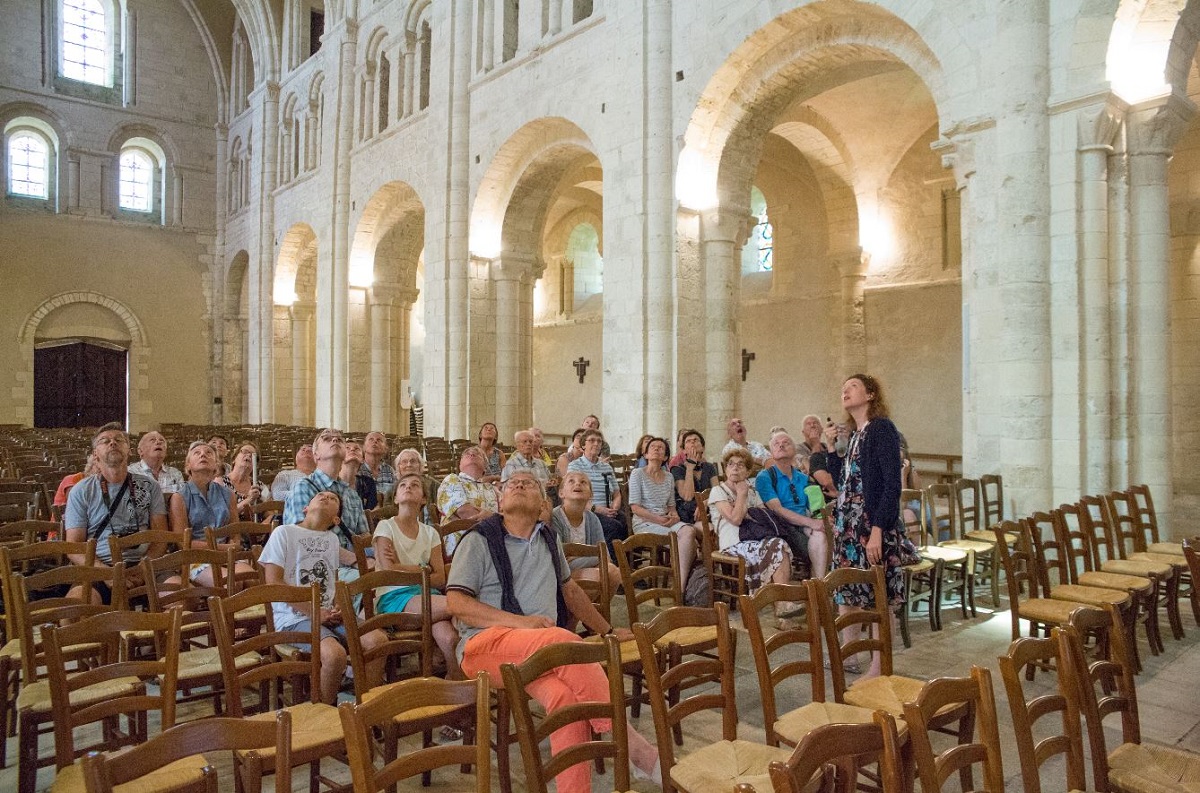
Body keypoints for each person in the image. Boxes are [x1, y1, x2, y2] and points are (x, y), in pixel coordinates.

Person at [446, 472, 661, 792]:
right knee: (562, 640)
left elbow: (570, 591)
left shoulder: (548, 538)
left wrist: (607, 631)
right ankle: (635, 748)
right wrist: (521, 623)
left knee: (567, 700)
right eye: (510, 484)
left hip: (539, 649)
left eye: (528, 483)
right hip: (484, 645)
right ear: (500, 502)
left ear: (544, 503)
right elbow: (456, 603)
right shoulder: (478, 540)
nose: (518, 485)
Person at [259, 490, 384, 703]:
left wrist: (337, 608)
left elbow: (333, 583)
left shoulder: (332, 540)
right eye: (320, 495)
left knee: (377, 641)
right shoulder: (284, 532)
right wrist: (315, 612)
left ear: (336, 519)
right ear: (305, 508)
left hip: (327, 614)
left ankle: (366, 708)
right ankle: (326, 713)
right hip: (294, 618)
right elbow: (273, 583)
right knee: (334, 655)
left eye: (333, 498)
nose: (326, 497)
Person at [832, 374, 906, 680]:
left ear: (871, 394)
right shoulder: (854, 434)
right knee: (846, 590)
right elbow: (849, 481)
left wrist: (877, 529)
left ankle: (879, 665)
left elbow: (891, 485)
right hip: (848, 526)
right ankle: (848, 656)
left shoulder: (881, 429)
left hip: (872, 525)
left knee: (879, 595)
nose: (845, 391)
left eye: (853, 387)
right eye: (843, 388)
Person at [64, 423, 170, 604]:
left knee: (183, 596)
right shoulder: (81, 490)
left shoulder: (149, 486)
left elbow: (161, 538)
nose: (112, 443)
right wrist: (107, 574)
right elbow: (74, 546)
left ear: (129, 450)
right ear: (95, 453)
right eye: (105, 441)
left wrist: (141, 570)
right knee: (75, 608)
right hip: (99, 566)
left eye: (119, 440)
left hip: (144, 564)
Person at [373, 473, 463, 681]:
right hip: (394, 598)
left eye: (415, 485)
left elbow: (440, 578)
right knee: (460, 606)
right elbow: (389, 573)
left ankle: (454, 686)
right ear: (395, 498)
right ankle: (464, 681)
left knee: (451, 640)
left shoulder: (430, 532)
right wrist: (424, 569)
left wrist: (405, 568)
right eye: (403, 485)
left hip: (429, 598)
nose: (408, 487)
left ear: (424, 498)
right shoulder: (386, 526)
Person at [709, 447, 794, 614]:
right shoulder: (718, 491)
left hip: (756, 539)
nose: (735, 467)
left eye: (740, 465)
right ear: (725, 469)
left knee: (780, 545)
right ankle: (782, 607)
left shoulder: (753, 493)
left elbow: (764, 517)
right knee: (777, 547)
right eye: (731, 464)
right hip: (733, 543)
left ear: (748, 472)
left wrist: (747, 510)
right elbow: (735, 519)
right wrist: (741, 496)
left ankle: (783, 607)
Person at [282, 428, 370, 576]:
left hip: (355, 566)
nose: (335, 440)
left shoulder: (352, 494)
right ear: (316, 455)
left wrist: (376, 555)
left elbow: (364, 536)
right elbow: (304, 538)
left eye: (339, 439)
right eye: (327, 438)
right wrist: (357, 561)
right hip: (318, 568)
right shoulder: (303, 487)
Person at [169, 440, 248, 587]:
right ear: (188, 466)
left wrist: (232, 547)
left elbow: (235, 533)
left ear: (216, 466)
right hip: (196, 557)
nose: (203, 455)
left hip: (228, 554)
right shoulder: (179, 497)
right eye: (197, 453)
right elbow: (182, 542)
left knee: (252, 579)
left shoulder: (228, 494)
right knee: (231, 583)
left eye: (209, 453)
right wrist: (220, 549)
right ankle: (220, 610)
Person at [628, 437, 698, 592]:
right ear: (645, 454)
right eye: (653, 447)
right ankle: (681, 587)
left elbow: (671, 506)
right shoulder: (637, 474)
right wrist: (658, 519)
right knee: (690, 541)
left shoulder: (669, 476)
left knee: (690, 532)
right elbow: (635, 508)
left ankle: (680, 584)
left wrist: (674, 515)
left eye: (661, 448)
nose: (657, 449)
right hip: (644, 521)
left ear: (666, 457)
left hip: (664, 520)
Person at [756, 432, 828, 579]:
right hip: (781, 526)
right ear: (771, 452)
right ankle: (818, 584)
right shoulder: (765, 477)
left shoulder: (804, 478)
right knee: (818, 534)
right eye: (776, 444)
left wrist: (824, 521)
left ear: (795, 450)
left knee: (821, 534)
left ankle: (818, 584)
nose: (781, 445)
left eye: (786, 442)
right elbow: (777, 509)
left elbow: (818, 509)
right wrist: (812, 523)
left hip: (803, 523)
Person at [551, 471, 622, 593]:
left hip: (587, 567)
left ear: (590, 495)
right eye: (571, 481)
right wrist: (596, 558)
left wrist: (575, 558)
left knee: (613, 572)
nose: (578, 483)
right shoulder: (555, 518)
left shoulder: (592, 519)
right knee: (601, 575)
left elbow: (605, 555)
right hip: (562, 576)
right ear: (561, 493)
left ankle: (597, 610)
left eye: (583, 482)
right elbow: (560, 562)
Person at [567, 430, 626, 551]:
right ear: (583, 445)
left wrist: (614, 508)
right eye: (592, 440)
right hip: (587, 510)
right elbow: (574, 495)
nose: (596, 444)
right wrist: (597, 509)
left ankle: (620, 560)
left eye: (599, 441)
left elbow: (616, 493)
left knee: (623, 521)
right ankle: (610, 563)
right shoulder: (575, 466)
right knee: (613, 526)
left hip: (608, 509)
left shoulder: (606, 467)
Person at [437, 446, 498, 557]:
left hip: (492, 548)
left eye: (477, 454)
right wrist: (493, 518)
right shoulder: (452, 480)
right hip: (460, 548)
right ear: (460, 465)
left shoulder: (491, 488)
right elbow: (465, 512)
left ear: (485, 467)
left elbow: (508, 517)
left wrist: (493, 518)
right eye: (467, 454)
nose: (471, 454)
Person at [671, 429, 719, 524]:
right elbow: (688, 497)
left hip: (709, 511)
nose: (692, 442)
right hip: (688, 515)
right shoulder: (677, 469)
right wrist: (689, 468)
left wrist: (705, 502)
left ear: (703, 447)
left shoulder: (709, 467)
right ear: (684, 450)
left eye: (696, 440)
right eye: (688, 441)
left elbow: (717, 491)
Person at [128, 431, 184, 497]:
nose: (158, 442)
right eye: (152, 440)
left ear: (166, 451)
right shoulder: (130, 473)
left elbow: (182, 502)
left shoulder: (175, 474)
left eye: (162, 440)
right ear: (140, 451)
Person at [221, 442, 262, 520]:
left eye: (253, 455)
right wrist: (249, 500)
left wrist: (261, 528)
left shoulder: (259, 485)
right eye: (245, 452)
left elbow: (270, 513)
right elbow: (222, 516)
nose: (249, 455)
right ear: (234, 459)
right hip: (231, 530)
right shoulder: (220, 483)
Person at [340, 439, 378, 510]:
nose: (352, 450)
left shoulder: (368, 483)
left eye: (357, 448)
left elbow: (370, 512)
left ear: (362, 459)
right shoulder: (330, 481)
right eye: (347, 448)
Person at [360, 431, 397, 504]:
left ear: (386, 449)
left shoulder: (390, 471)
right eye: (371, 439)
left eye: (379, 440)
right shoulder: (357, 469)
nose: (375, 442)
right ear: (363, 447)